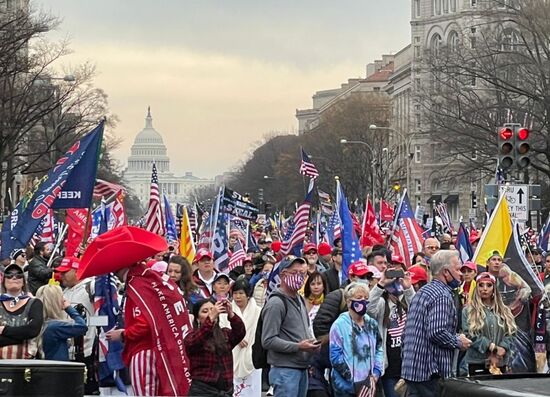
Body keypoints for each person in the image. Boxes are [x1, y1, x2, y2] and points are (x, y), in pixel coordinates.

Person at [401, 250, 472, 397]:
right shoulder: (442, 296)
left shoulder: (423, 292)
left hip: (413, 370)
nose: (461, 274)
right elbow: (437, 332)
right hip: (429, 372)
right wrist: (458, 341)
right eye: (458, 270)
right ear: (446, 272)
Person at [261, 256, 319, 397]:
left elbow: (305, 328)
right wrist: (298, 346)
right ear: (282, 275)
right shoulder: (276, 303)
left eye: (302, 274)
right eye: (294, 273)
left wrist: (312, 344)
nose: (299, 277)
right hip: (284, 370)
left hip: (301, 367)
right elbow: (268, 340)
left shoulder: (299, 299)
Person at [367, 263, 415, 397]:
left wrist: (408, 287)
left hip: (408, 366)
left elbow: (418, 309)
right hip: (390, 368)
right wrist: (381, 284)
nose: (395, 283)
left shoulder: (405, 301)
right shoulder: (382, 303)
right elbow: (369, 309)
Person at [329, 282, 384, 397]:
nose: (363, 301)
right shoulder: (338, 325)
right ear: (349, 302)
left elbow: (379, 348)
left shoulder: (372, 324)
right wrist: (352, 379)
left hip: (370, 385)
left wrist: (376, 373)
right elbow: (335, 357)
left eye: (366, 298)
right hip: (346, 387)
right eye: (359, 298)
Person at [185, 298, 246, 396]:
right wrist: (211, 318)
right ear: (197, 318)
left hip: (225, 390)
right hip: (202, 391)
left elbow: (240, 332)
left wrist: (231, 314)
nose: (211, 313)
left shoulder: (225, 333)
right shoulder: (191, 337)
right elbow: (198, 339)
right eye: (205, 311)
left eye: (213, 309)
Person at [56, 256, 98, 394]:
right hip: (69, 350)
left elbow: (101, 316)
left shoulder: (91, 286)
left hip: (88, 349)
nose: (61, 276)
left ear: (76, 271)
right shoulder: (64, 292)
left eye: (65, 272)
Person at [461, 272, 517, 376]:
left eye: (489, 285)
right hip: (477, 362)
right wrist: (492, 347)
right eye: (481, 285)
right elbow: (469, 334)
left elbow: (512, 333)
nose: (484, 288)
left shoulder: (504, 311)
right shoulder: (468, 311)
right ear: (476, 288)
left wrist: (503, 348)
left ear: (494, 289)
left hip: (500, 362)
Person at [0, 263, 43, 359]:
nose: (14, 277)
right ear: (4, 281)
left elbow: (33, 330)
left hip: (26, 363)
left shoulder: (34, 303)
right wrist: (22, 338)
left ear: (23, 281)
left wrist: (4, 330)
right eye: (9, 275)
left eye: (19, 275)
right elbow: (28, 332)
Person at [35, 284, 88, 361]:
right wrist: (69, 308)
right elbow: (82, 327)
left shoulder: (41, 323)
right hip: (59, 368)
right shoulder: (54, 326)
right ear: (55, 302)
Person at [231, 278, 262, 397]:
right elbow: (223, 329)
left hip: (252, 355)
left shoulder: (258, 311)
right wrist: (236, 338)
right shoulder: (227, 312)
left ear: (247, 294)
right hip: (233, 354)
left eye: (241, 293)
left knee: (252, 390)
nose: (238, 296)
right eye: (235, 293)